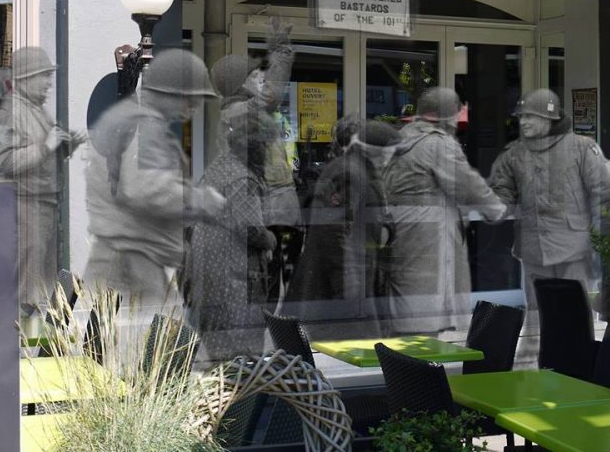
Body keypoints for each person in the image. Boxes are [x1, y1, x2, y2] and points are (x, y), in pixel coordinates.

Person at [84, 49, 225, 311]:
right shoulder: (145, 125)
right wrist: (201, 199)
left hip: (118, 256)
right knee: (158, 340)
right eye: (190, 98)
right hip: (134, 261)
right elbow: (142, 188)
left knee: (117, 342)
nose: (194, 107)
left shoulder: (126, 117)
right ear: (167, 92)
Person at [489, 88, 610, 333]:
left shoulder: (582, 148)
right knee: (538, 319)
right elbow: (502, 188)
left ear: (549, 119)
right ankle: (544, 365)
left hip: (573, 250)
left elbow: (604, 195)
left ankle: (578, 366)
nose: (523, 121)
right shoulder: (514, 153)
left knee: (575, 317)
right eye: (521, 117)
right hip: (532, 248)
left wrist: (606, 245)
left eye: (529, 116)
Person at [384, 87, 507, 335]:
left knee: (410, 294)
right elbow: (468, 184)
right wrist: (497, 210)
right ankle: (422, 360)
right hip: (429, 232)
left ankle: (405, 356)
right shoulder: (438, 145)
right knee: (428, 300)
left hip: (402, 228)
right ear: (447, 116)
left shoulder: (401, 138)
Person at [0, 46, 85, 317]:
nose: (48, 83)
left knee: (44, 286)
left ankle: (38, 347)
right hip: (27, 208)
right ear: (23, 80)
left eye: (49, 77)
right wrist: (46, 146)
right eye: (42, 77)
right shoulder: (11, 114)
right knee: (26, 292)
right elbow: (3, 162)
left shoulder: (36, 111)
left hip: (45, 207)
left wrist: (66, 146)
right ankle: (18, 350)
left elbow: (41, 155)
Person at [284, 116, 399, 339]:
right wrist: (347, 288)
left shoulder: (358, 172)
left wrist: (385, 230)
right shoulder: (348, 172)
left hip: (352, 282)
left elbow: (376, 216)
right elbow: (333, 233)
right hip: (343, 289)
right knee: (352, 347)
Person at [211, 19, 301, 300]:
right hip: (268, 214)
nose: (258, 77)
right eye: (252, 75)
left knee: (270, 286)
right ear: (240, 83)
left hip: (269, 211)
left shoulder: (234, 113)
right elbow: (272, 97)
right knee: (269, 289)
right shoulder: (238, 112)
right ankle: (267, 339)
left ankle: (268, 337)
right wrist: (281, 50)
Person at [182, 110, 277, 361]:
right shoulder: (242, 177)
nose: (268, 152)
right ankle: (241, 401)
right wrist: (271, 239)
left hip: (207, 274)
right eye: (265, 146)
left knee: (217, 353)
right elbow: (251, 229)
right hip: (233, 281)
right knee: (241, 359)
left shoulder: (219, 167)